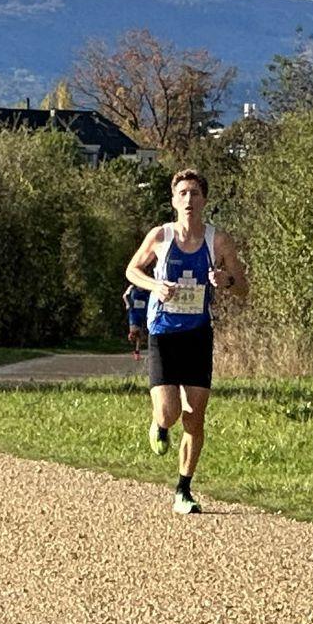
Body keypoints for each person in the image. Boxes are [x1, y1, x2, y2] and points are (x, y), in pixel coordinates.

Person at [125, 168, 246, 515]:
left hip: (198, 332)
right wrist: (154, 286)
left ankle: (183, 490)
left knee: (195, 417)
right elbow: (132, 270)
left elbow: (244, 288)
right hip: (163, 330)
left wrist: (225, 281)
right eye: (183, 193)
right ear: (174, 200)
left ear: (205, 200)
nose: (189, 199)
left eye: (195, 193)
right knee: (170, 411)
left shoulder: (218, 241)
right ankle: (159, 424)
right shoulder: (160, 236)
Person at [123, 282, 149, 360]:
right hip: (134, 313)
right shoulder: (132, 288)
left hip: (143, 313)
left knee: (140, 334)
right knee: (135, 332)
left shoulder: (146, 289)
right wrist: (127, 304)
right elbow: (124, 296)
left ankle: (137, 352)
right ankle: (133, 339)